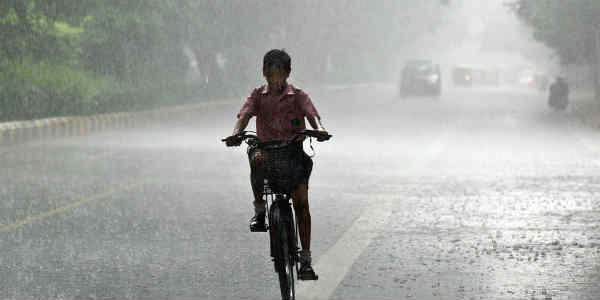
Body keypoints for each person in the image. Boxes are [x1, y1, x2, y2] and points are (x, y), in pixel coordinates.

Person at [224, 49, 329, 280]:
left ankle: (306, 259)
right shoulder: (257, 96)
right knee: (255, 158)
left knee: (301, 204)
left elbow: (313, 116)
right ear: (264, 73)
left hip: (293, 153)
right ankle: (260, 210)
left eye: (279, 74)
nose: (275, 80)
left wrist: (320, 131)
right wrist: (235, 134)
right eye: (271, 75)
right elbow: (244, 116)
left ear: (288, 73)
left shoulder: (298, 96)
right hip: (267, 152)